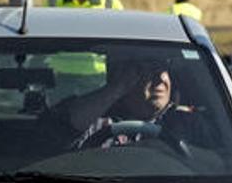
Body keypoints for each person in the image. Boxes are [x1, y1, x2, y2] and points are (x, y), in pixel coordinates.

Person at [64, 59, 210, 150]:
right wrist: (116, 90)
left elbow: (221, 162)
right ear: (125, 79)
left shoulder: (189, 124)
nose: (160, 79)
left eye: (163, 69)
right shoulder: (96, 123)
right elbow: (63, 135)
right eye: (149, 70)